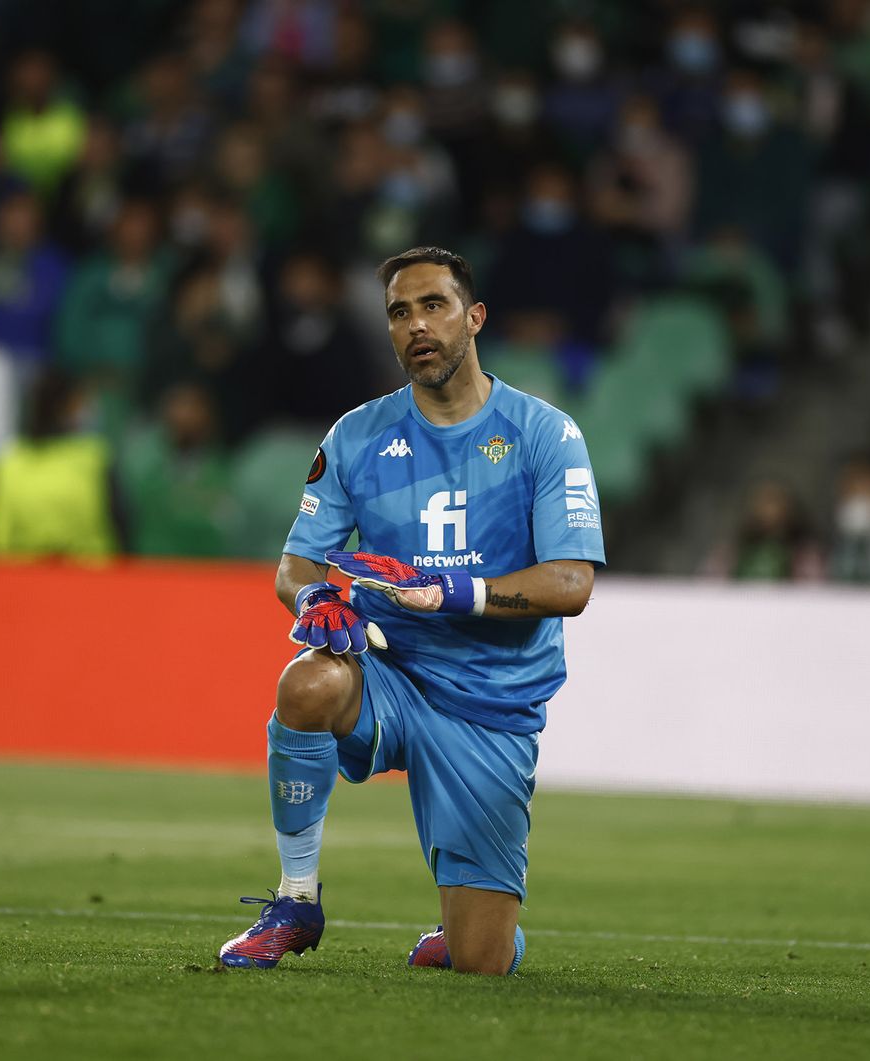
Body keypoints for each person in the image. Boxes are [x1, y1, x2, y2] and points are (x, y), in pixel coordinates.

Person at [217, 247, 604, 975]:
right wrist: (315, 598)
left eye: (434, 305)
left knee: (478, 965)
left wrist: (460, 592)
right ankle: (296, 899)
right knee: (307, 682)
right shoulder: (358, 435)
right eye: (400, 312)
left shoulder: (545, 434)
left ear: (474, 317)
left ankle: (475, 928)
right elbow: (296, 563)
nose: (417, 325)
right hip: (391, 671)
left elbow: (571, 582)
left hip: (491, 702)